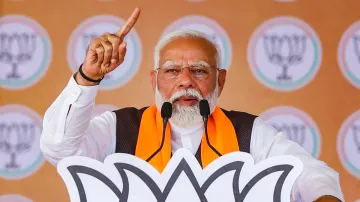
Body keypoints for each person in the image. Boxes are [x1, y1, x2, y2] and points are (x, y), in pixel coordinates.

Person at [40, 7, 344, 202]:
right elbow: (60, 151)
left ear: (220, 81)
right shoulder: (119, 128)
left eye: (199, 70)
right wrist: (88, 77)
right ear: (154, 80)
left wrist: (323, 195)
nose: (185, 81)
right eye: (172, 71)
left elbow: (310, 174)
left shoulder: (248, 132)